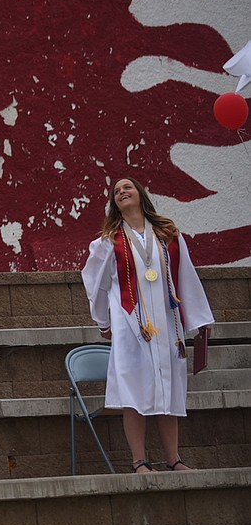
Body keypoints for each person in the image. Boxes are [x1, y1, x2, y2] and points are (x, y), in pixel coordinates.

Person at [81, 177, 215, 473]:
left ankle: (173, 459)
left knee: (169, 392)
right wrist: (103, 321)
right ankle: (139, 461)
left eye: (127, 187)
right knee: (133, 394)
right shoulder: (108, 241)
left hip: (167, 326)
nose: (121, 192)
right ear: (113, 204)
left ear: (140, 194)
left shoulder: (168, 234)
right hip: (132, 328)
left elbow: (186, 277)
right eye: (116, 191)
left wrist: (200, 320)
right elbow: (95, 283)